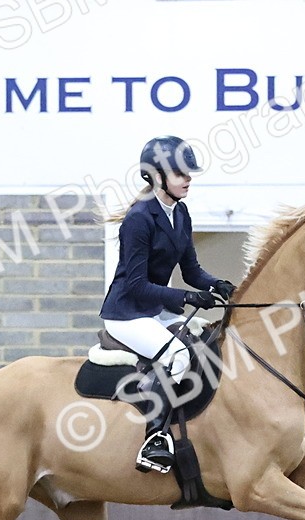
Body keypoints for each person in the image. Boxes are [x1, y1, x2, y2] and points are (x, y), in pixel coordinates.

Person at [101, 136, 236, 473]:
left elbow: (191, 270)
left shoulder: (180, 212)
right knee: (177, 354)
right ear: (156, 176)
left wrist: (216, 284)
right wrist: (186, 298)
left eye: (189, 173)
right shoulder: (139, 219)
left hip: (154, 309)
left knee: (205, 338)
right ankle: (155, 438)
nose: (188, 179)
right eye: (180, 173)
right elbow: (136, 284)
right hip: (127, 313)